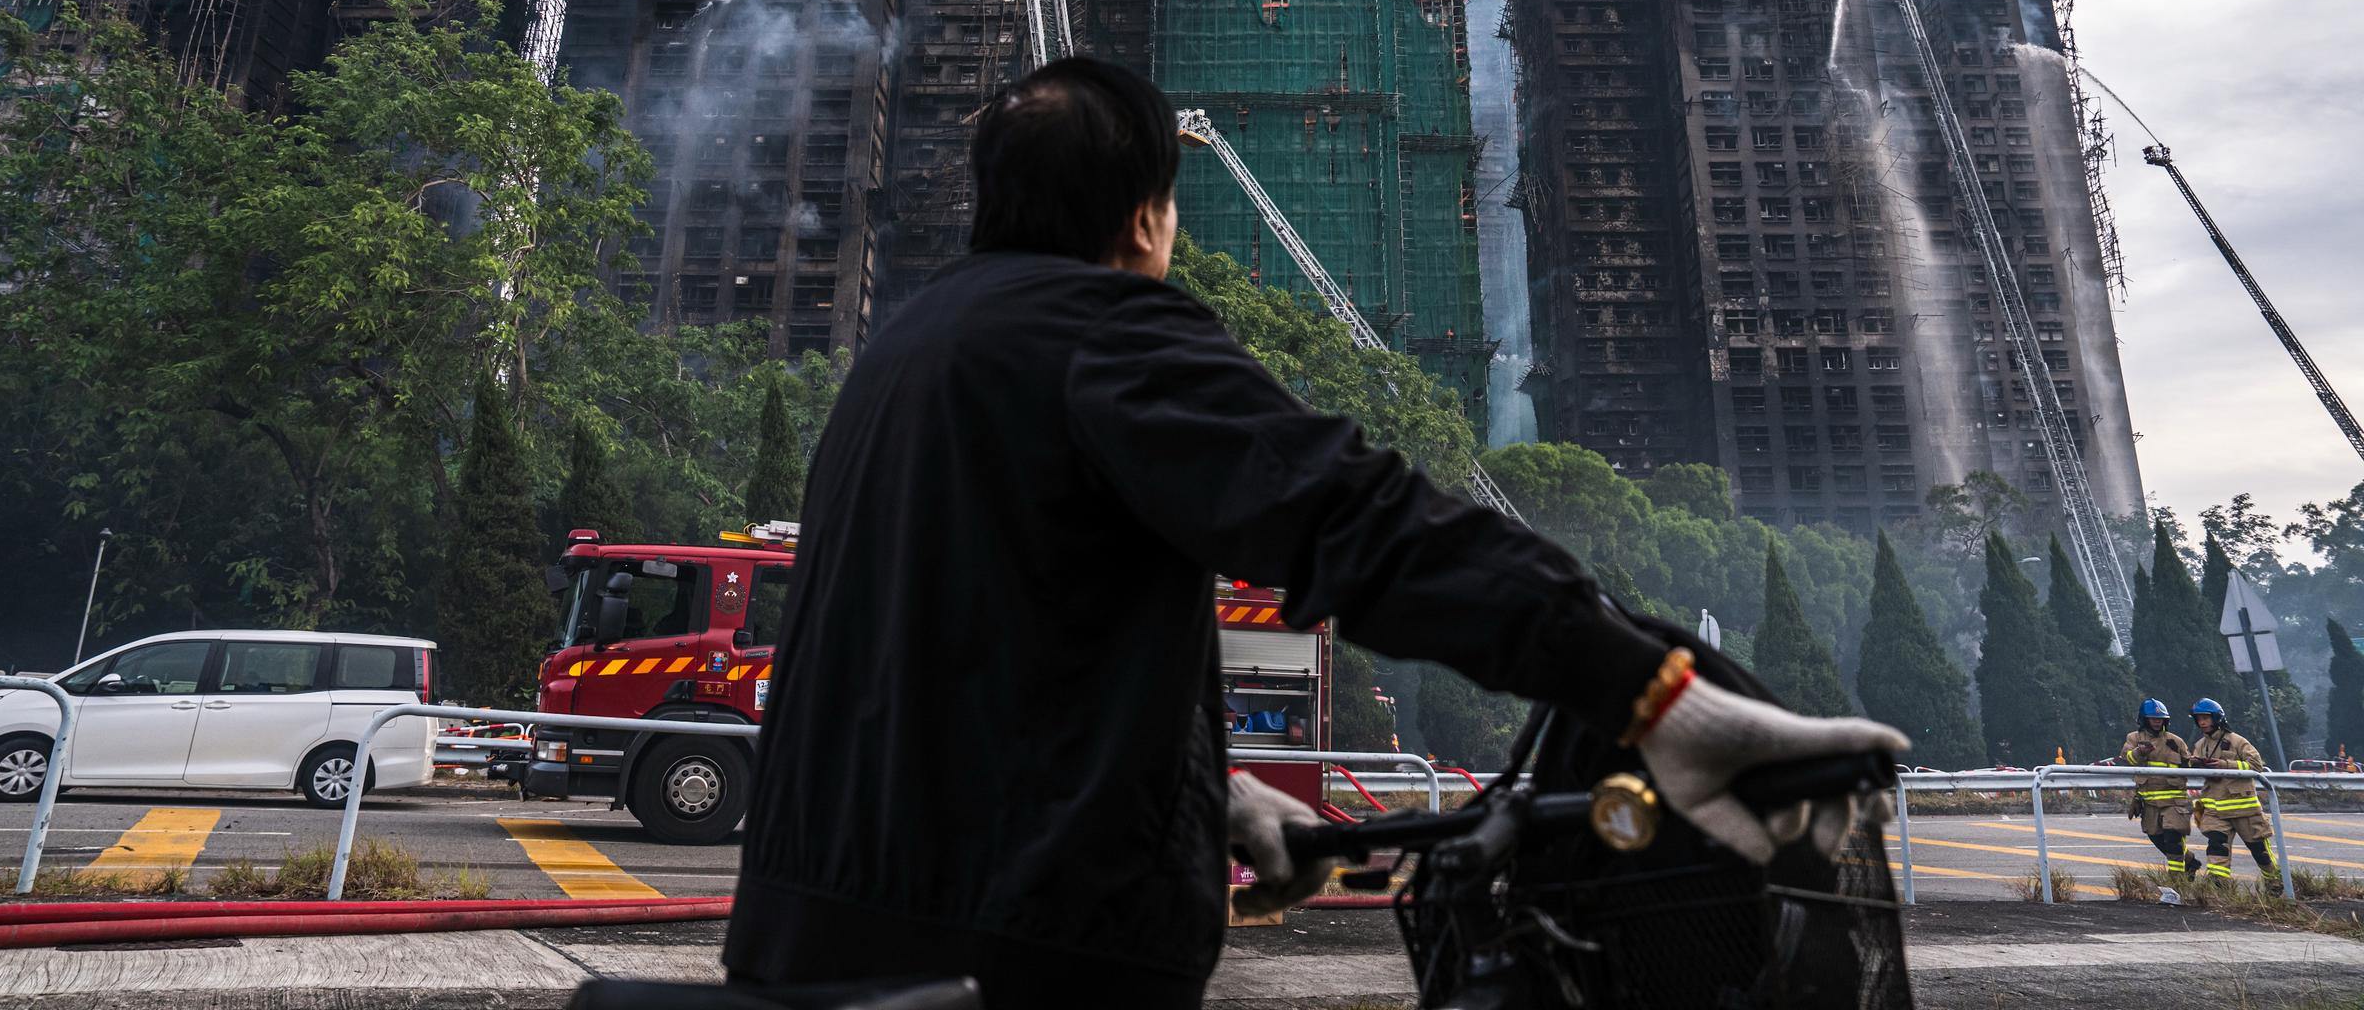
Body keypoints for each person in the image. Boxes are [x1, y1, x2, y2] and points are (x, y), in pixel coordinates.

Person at [722, 58, 1905, 1008]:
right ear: (1144, 218)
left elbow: (978, 661)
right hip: (1022, 955)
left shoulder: (903, 359)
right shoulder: (1108, 333)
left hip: (804, 933)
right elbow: (1354, 516)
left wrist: (1221, 805)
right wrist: (1655, 695)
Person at [2186, 697, 2275, 881]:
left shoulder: (2237, 741)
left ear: (2217, 718)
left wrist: (2226, 765)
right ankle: (2220, 887)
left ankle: (2276, 883)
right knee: (2216, 847)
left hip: (2245, 810)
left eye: (2206, 718)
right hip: (2215, 810)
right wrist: (2195, 763)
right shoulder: (2200, 745)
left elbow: (2256, 765)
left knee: (2260, 851)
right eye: (2199, 719)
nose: (2202, 722)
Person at [2121, 697, 2194, 880]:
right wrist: (2140, 752)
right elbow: (2126, 758)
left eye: (2160, 718)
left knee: (2173, 838)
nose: (2157, 721)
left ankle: (2178, 879)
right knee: (2155, 836)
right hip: (2150, 801)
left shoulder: (2175, 741)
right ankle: (2190, 862)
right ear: (2144, 719)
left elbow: (2190, 764)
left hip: (2174, 801)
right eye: (2153, 718)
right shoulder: (2134, 738)